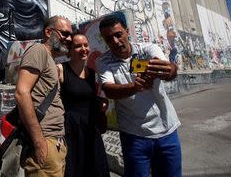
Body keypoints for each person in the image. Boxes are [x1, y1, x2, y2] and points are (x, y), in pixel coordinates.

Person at [95, 14, 181, 177]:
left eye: (118, 34)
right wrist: (135, 87)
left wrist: (170, 70)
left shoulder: (148, 49)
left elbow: (169, 70)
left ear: (127, 32)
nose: (115, 41)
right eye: (109, 38)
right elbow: (109, 89)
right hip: (134, 136)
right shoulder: (103, 62)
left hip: (167, 130)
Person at [15, 16, 72, 177]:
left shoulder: (51, 60)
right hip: (45, 141)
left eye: (70, 35)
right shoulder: (38, 50)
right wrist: (39, 142)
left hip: (55, 142)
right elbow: (21, 93)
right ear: (48, 32)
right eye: (65, 33)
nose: (69, 38)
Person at [57, 33, 110, 177]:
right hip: (70, 130)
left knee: (95, 169)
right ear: (69, 50)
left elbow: (93, 98)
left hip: (91, 129)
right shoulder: (60, 70)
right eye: (78, 46)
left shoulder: (93, 73)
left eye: (86, 45)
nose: (83, 49)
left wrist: (101, 104)